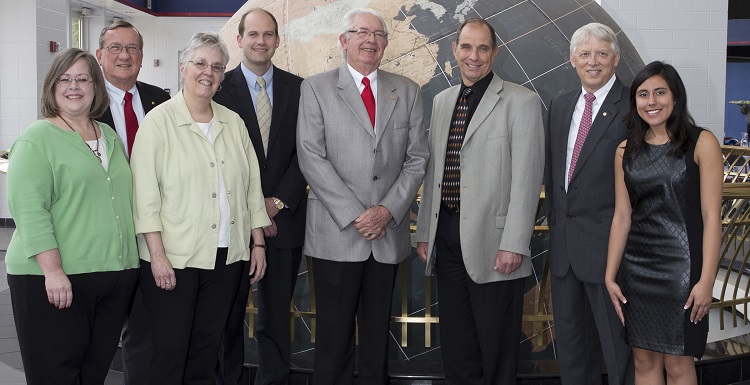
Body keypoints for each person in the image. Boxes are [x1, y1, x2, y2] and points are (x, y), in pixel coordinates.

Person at [296, 8, 428, 385]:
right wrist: (358, 214)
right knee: (333, 340)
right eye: (360, 32)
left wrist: (386, 210)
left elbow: (417, 158)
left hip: (386, 236)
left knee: (375, 342)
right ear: (343, 40)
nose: (370, 40)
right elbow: (311, 156)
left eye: (378, 34)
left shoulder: (406, 90)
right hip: (337, 234)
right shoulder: (316, 88)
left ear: (386, 44)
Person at [130, 31, 270, 385]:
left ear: (223, 75)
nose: (208, 72)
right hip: (174, 260)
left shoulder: (233, 123)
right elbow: (144, 197)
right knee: (169, 350)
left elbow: (251, 188)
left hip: (227, 258)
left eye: (217, 67)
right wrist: (157, 255)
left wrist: (258, 243)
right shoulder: (158, 123)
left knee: (206, 352)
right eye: (200, 63)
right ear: (183, 68)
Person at [414, 18, 544, 384]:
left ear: (495, 53)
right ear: (454, 50)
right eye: (466, 47)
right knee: (457, 345)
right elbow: (434, 172)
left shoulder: (522, 101)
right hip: (447, 240)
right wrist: (426, 232)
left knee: (496, 348)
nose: (474, 56)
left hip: (496, 244)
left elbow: (527, 179)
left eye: (482, 48)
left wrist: (515, 242)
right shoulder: (441, 102)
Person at [6, 48, 139, 385]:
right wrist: (52, 271)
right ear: (52, 87)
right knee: (56, 376)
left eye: (82, 78)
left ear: (96, 85)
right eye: (64, 79)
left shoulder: (107, 136)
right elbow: (29, 210)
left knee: (92, 375)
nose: (74, 86)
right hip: (54, 278)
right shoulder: (37, 139)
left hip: (112, 275)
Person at [605, 61, 722, 385]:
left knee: (678, 364)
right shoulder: (625, 150)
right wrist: (610, 275)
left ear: (675, 98)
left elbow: (713, 218)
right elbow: (622, 216)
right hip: (637, 269)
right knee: (643, 361)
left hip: (682, 272)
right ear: (635, 102)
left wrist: (706, 281)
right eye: (643, 94)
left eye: (660, 92)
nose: (651, 101)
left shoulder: (701, 143)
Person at [213, 8, 306, 385]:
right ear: (239, 40)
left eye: (268, 34)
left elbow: (309, 152)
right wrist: (253, 208)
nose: (261, 41)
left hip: (283, 221)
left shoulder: (300, 88)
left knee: (275, 319)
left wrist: (277, 202)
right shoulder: (219, 88)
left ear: (277, 41)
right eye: (253, 34)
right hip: (232, 223)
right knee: (226, 318)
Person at [544, 22, 634, 384]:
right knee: (571, 352)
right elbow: (555, 175)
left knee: (619, 352)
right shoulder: (560, 105)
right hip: (565, 253)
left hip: (611, 254)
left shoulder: (633, 105)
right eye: (584, 54)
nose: (592, 62)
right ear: (571, 60)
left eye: (601, 54)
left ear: (615, 58)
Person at [94, 21, 170, 385]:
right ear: (99, 55)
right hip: (103, 234)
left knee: (144, 330)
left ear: (142, 56)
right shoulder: (84, 102)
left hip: (153, 232)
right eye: (115, 47)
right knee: (97, 333)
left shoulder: (161, 98)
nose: (124, 55)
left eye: (133, 49)